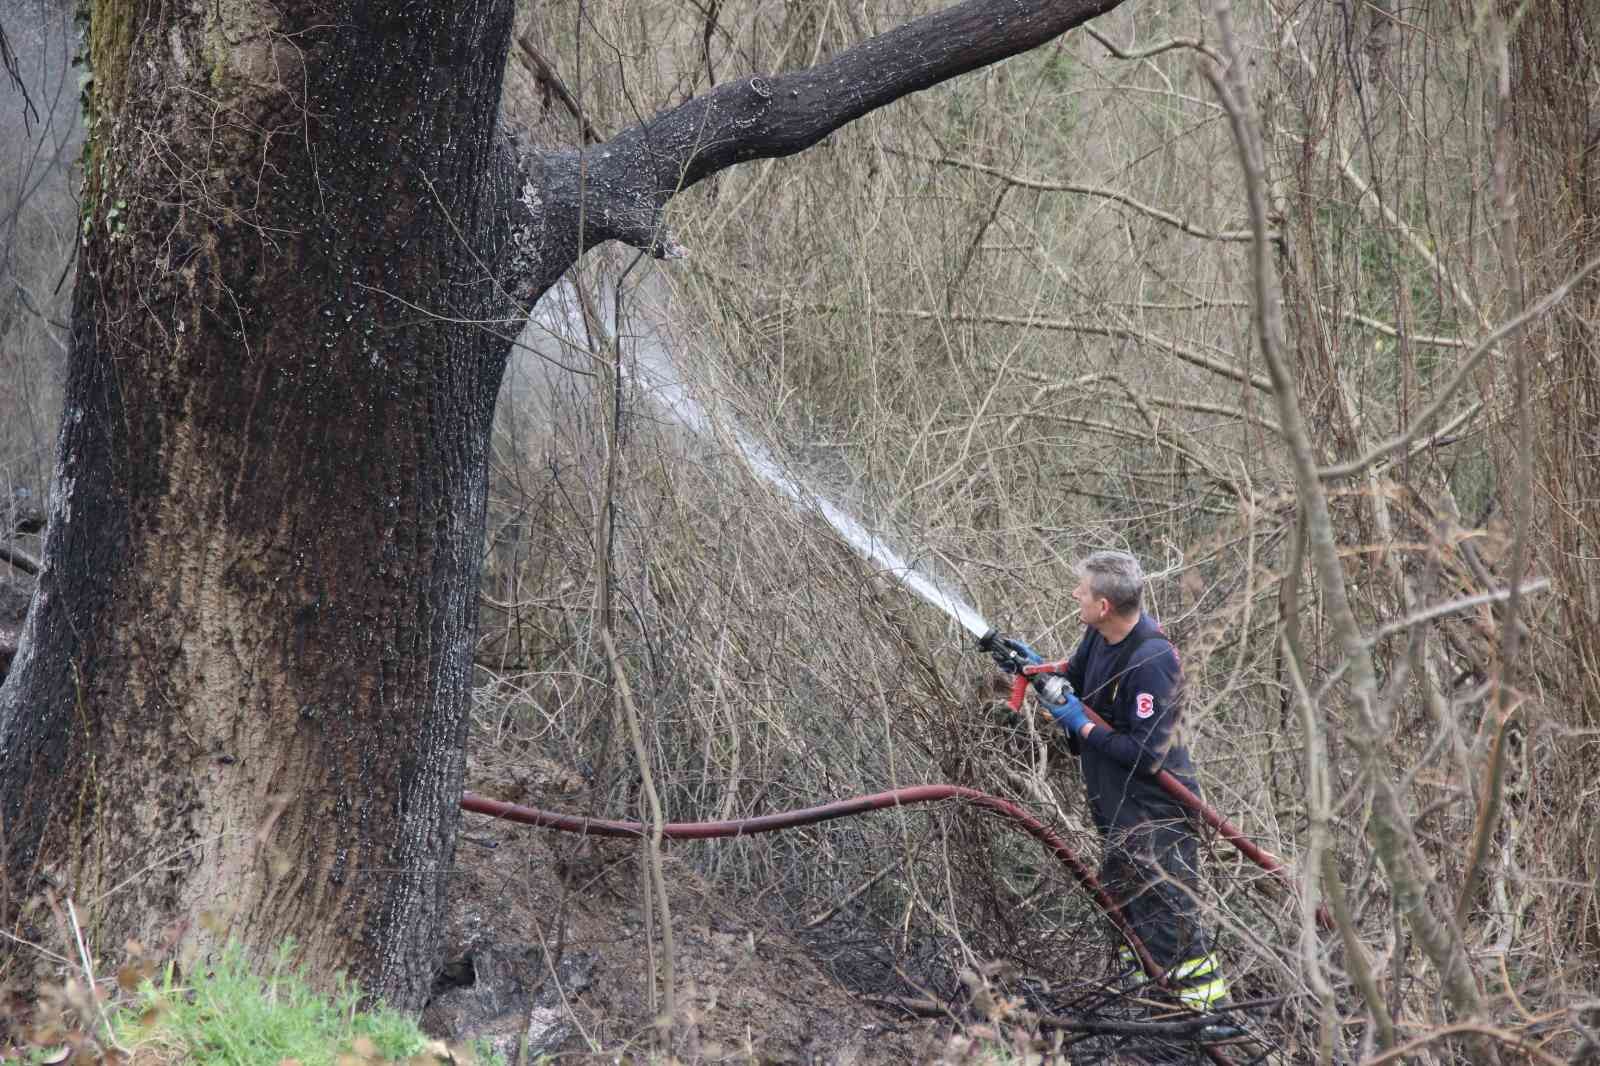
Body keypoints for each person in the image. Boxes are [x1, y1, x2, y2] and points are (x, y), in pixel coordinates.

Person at [1009, 549, 1226, 1012]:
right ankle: (1148, 1003)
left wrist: (1082, 726)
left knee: (1169, 914)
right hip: (1118, 805)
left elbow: (1147, 755)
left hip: (1157, 813)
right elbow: (1074, 676)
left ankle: (1205, 1022)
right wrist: (1035, 667)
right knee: (1126, 904)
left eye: (1082, 591)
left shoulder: (1152, 660)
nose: (1075, 596)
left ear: (1104, 605)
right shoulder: (1097, 635)